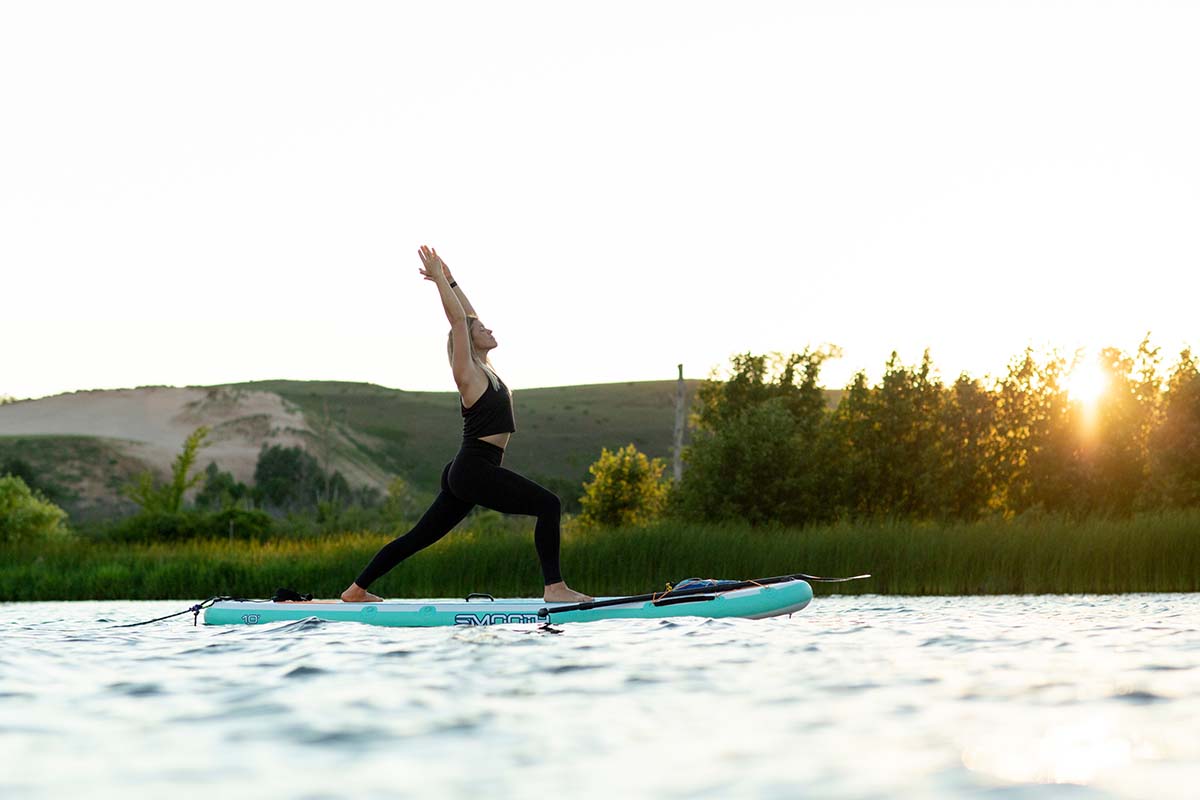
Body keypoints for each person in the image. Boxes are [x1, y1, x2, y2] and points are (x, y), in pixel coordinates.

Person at [342, 246, 593, 604]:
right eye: (481, 329)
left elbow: (468, 315)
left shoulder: (487, 371)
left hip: (470, 470)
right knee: (549, 505)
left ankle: (355, 590)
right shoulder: (468, 373)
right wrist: (439, 282)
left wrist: (452, 278)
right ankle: (554, 588)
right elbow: (460, 321)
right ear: (468, 340)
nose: (487, 327)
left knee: (419, 537)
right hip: (474, 468)